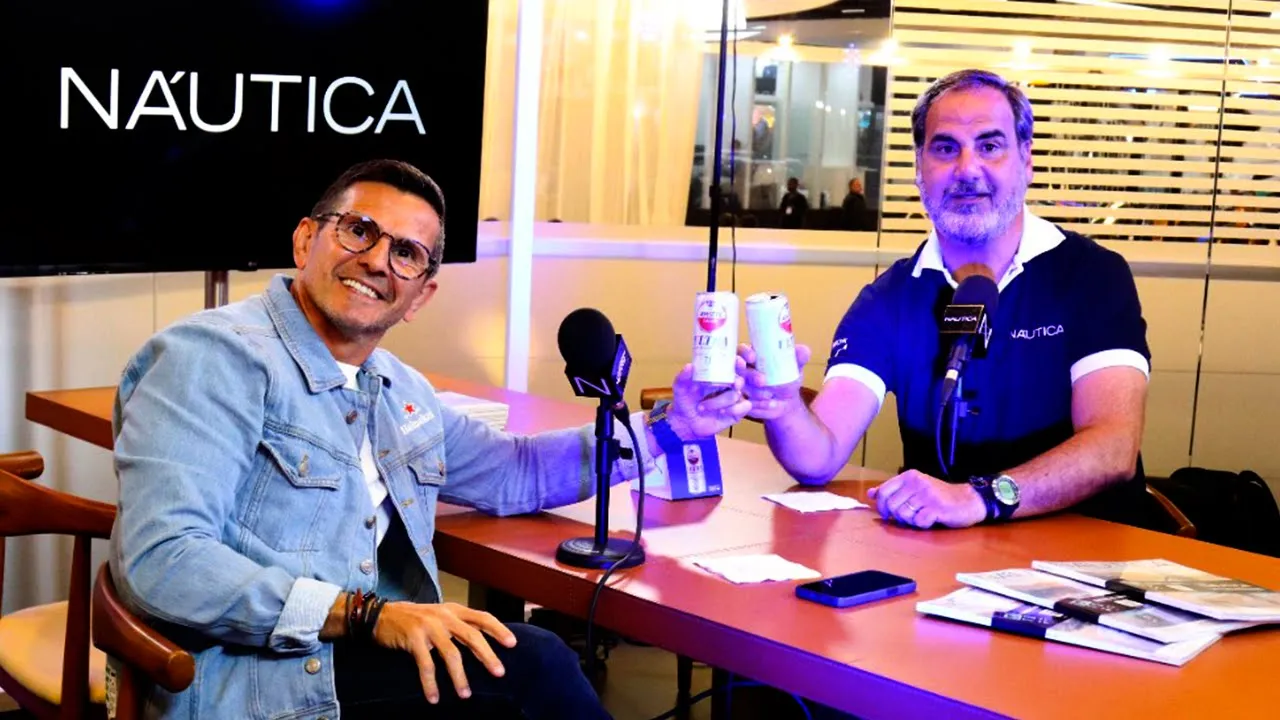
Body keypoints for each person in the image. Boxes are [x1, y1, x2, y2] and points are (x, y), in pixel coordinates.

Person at [109, 159, 751, 720]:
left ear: (420, 296)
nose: (376, 261)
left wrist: (672, 428)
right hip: (248, 681)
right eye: (359, 230)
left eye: (407, 253)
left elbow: (514, 472)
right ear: (306, 240)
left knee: (521, 663)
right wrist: (368, 615)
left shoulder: (397, 388)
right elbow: (163, 562)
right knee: (533, 666)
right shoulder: (210, 357)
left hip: (354, 661)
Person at [739, 69, 1151, 530]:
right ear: (920, 168)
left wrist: (979, 498)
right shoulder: (890, 298)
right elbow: (818, 457)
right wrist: (784, 407)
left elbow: (1114, 447)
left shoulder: (1091, 275)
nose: (967, 169)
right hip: (945, 558)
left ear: (1026, 160)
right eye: (945, 148)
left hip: (1088, 555)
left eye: (990, 146)